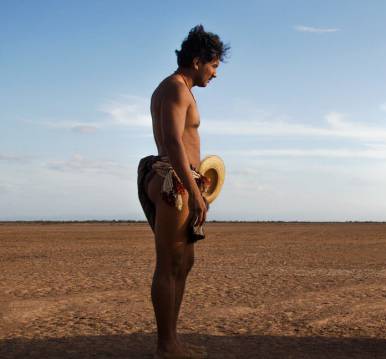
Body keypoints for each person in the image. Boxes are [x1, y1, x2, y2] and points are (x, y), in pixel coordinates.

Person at [137, 25, 229, 358]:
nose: (215, 74)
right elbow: (174, 142)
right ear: (196, 60)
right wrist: (192, 189)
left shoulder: (178, 89)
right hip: (174, 183)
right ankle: (166, 346)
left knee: (184, 263)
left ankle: (172, 340)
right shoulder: (176, 89)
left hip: (182, 180)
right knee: (168, 265)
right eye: (214, 66)